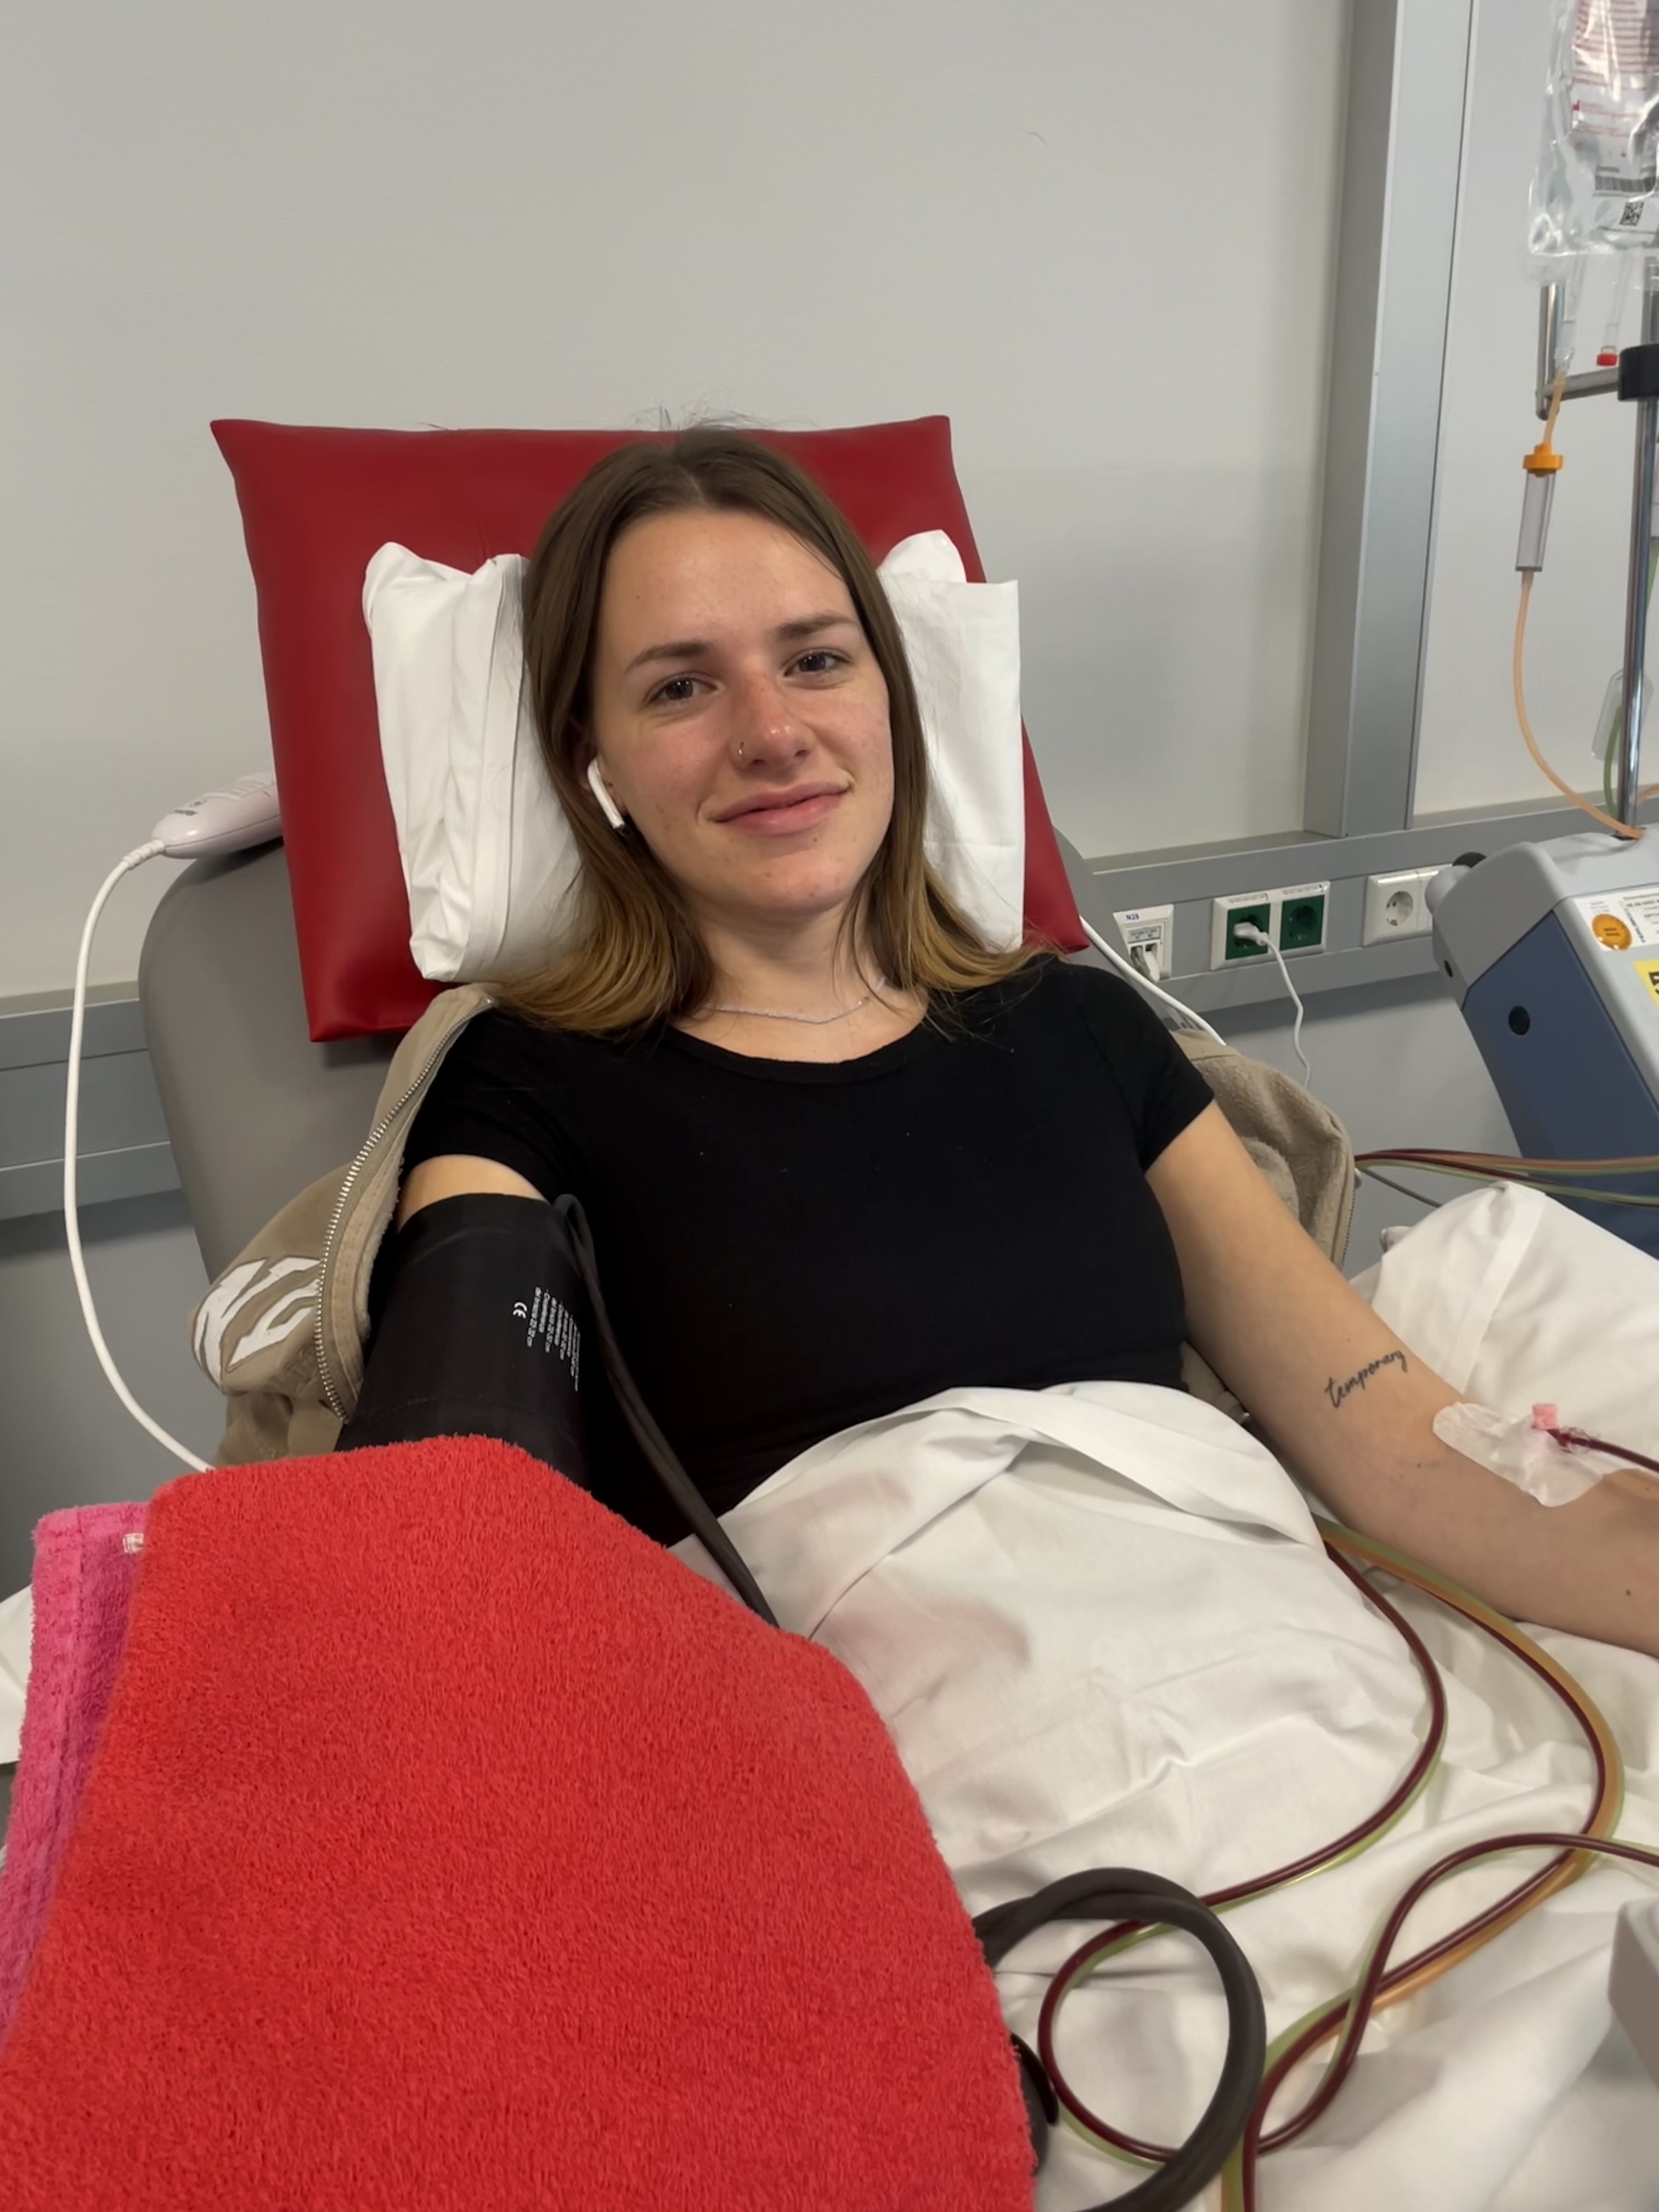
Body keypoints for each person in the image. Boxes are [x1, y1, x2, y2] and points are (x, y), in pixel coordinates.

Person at [373, 430, 1658, 1658]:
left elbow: (1403, 1450)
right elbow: (445, 1537)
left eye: (816, 659)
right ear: (590, 763)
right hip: (885, 1754)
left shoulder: (1083, 1031)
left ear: (893, 697)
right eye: (680, 687)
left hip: (1270, 1663)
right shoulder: (526, 1092)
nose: (772, 732)